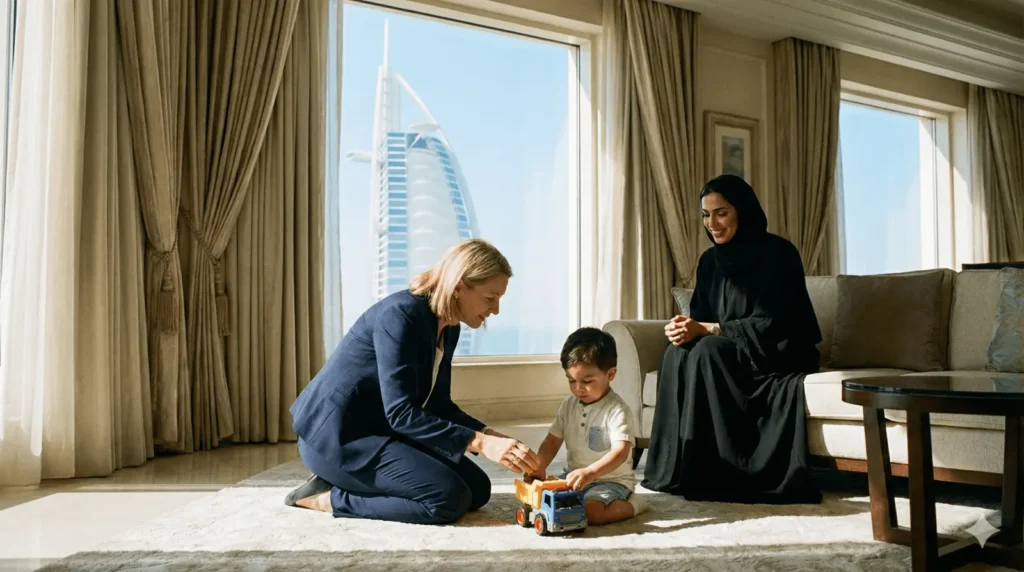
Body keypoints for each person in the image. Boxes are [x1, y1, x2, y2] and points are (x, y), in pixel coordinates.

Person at [285, 239, 542, 524]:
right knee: (447, 499)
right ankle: (328, 497)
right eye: (490, 298)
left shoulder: (449, 328)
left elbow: (438, 404)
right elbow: (401, 412)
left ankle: (352, 484)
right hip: (339, 438)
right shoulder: (401, 315)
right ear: (459, 286)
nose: (495, 310)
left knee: (478, 490)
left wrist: (489, 434)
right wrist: (480, 443)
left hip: (381, 430)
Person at [640, 174, 823, 504]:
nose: (712, 223)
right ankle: (680, 469)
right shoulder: (709, 262)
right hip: (727, 352)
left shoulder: (779, 254)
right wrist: (682, 329)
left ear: (743, 211)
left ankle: (722, 472)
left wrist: (706, 330)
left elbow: (775, 323)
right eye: (706, 215)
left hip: (775, 353)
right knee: (677, 352)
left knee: (708, 349)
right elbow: (699, 318)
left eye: (721, 213)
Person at [527, 327, 648, 525]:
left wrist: (591, 472)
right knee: (543, 498)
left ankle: (635, 504)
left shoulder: (617, 409)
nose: (578, 388)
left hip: (610, 480)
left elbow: (621, 451)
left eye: (587, 381)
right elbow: (552, 441)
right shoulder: (568, 405)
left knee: (591, 513)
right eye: (571, 381)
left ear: (610, 374)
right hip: (575, 476)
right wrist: (539, 467)